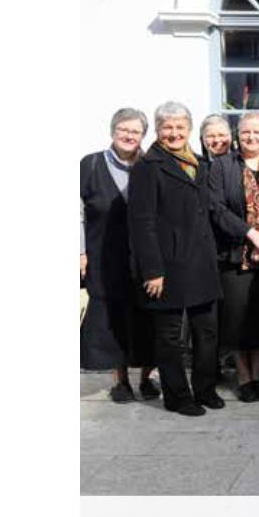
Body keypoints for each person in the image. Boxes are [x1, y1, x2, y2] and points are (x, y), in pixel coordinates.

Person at [127, 101, 223, 417]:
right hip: (167, 265)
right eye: (167, 127)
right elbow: (141, 222)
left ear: (189, 129)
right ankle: (178, 397)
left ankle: (205, 389)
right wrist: (152, 270)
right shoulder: (147, 167)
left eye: (180, 127)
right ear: (157, 130)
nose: (174, 133)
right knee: (169, 337)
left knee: (206, 332)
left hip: (201, 262)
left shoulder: (199, 163)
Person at [79, 107, 157, 400]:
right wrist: (79, 252)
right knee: (114, 318)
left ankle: (147, 379)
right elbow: (75, 212)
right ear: (112, 131)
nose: (129, 135)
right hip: (104, 255)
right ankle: (121, 381)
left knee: (149, 318)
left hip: (146, 257)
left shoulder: (151, 165)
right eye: (123, 129)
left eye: (135, 131)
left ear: (143, 136)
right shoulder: (90, 164)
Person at [208, 113, 259, 401]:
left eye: (257, 132)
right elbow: (217, 209)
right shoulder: (222, 166)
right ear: (237, 136)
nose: (251, 137)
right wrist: (252, 235)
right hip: (235, 255)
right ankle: (243, 376)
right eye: (245, 132)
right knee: (237, 319)